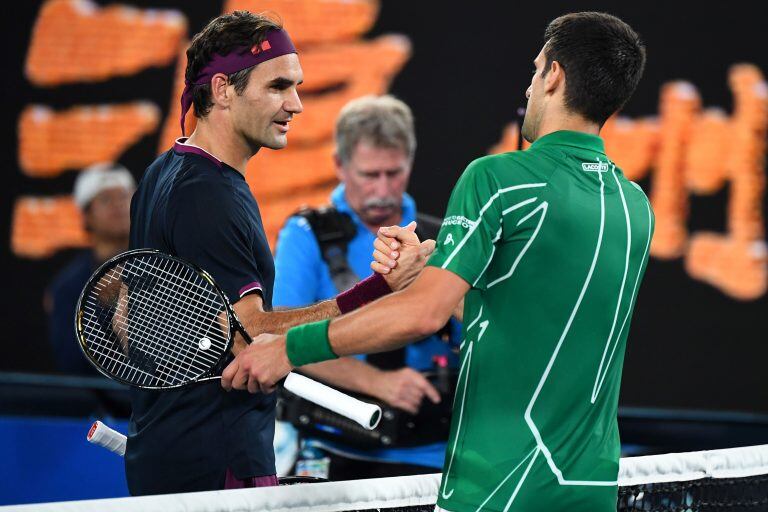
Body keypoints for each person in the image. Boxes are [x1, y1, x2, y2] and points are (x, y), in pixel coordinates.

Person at [222, 11, 651, 512]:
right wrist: (427, 273)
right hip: (587, 488)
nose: (530, 86)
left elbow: (424, 314)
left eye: (535, 71)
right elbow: (517, 319)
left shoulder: (498, 179)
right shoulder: (634, 205)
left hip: (498, 485)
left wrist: (290, 349)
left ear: (553, 75)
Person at [126, 11, 432, 496]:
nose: (296, 104)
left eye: (297, 86)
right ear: (223, 89)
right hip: (216, 460)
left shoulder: (165, 173)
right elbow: (253, 330)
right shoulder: (210, 193)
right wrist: (381, 288)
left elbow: (127, 313)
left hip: (172, 448)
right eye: (278, 87)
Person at [273, 95, 461, 479]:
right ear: (340, 165)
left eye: (394, 173)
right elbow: (278, 336)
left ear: (410, 162)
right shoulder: (306, 234)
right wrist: (377, 382)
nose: (383, 190)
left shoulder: (439, 236)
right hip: (333, 445)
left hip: (432, 455)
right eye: (369, 175)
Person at [44, 162, 134, 375]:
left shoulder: (165, 266)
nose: (118, 205)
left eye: (124, 196)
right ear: (86, 215)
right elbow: (71, 361)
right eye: (105, 199)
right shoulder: (67, 288)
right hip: (101, 402)